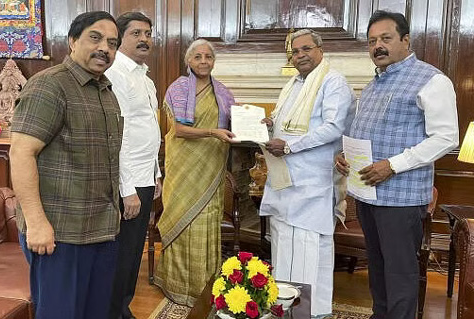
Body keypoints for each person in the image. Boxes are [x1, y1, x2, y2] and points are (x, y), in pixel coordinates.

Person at [335, 10, 459, 319]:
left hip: (401, 199)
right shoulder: (375, 83)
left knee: (400, 274)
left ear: (405, 40)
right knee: (377, 269)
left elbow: (446, 137)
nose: (378, 46)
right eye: (372, 40)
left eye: (386, 39)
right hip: (367, 194)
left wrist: (393, 165)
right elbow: (364, 130)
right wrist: (344, 155)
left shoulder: (432, 80)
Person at [9, 11, 122, 319]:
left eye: (112, 43)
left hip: (101, 230)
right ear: (73, 41)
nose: (105, 49)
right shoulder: (50, 85)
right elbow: (21, 153)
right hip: (61, 234)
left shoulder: (105, 91)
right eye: (95, 38)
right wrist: (36, 223)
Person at [259, 29, 355, 318]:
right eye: (295, 51)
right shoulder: (292, 84)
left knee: (310, 250)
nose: (300, 55)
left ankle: (310, 312)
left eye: (306, 49)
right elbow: (283, 120)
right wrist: (270, 122)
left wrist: (289, 145)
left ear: (320, 49)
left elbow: (333, 127)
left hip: (313, 183)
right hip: (285, 181)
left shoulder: (333, 82)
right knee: (284, 244)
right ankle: (284, 308)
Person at [154, 39, 236, 306]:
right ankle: (177, 285)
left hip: (211, 167)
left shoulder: (223, 92)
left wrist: (260, 123)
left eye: (208, 57)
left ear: (214, 61)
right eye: (198, 56)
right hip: (183, 166)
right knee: (181, 217)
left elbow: (236, 123)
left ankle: (205, 286)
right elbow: (179, 130)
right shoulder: (178, 88)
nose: (203, 61)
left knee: (207, 220)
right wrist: (212, 132)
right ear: (188, 61)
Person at [104, 12, 161, 319]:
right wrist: (128, 190)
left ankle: (121, 308)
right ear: (121, 39)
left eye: (148, 33)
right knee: (122, 255)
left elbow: (148, 129)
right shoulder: (116, 75)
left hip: (144, 176)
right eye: (136, 33)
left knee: (133, 252)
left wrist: (157, 173)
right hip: (128, 182)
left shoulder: (145, 77)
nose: (144, 39)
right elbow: (118, 137)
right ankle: (114, 312)